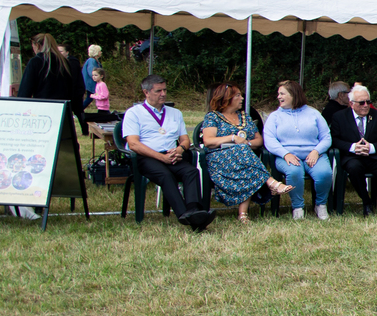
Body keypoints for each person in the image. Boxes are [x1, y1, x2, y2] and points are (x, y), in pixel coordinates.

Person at [122, 74, 215, 231]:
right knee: (165, 175)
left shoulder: (175, 113)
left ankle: (194, 209)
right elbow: (133, 144)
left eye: (165, 90)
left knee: (190, 171)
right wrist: (161, 157)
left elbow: (185, 139)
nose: (163, 94)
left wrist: (180, 149)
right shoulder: (134, 113)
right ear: (146, 92)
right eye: (158, 91)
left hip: (171, 155)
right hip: (147, 157)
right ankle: (184, 214)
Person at [201, 83, 293, 224]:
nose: (242, 98)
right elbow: (208, 141)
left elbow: (258, 140)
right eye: (238, 95)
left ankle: (243, 214)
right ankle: (271, 183)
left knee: (245, 158)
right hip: (220, 160)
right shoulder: (212, 117)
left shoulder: (244, 117)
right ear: (227, 98)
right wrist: (233, 138)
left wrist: (246, 143)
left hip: (244, 160)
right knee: (245, 156)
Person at [328, 84, 377, 221]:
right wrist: (352, 147)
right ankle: (367, 202)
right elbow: (334, 140)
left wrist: (372, 148)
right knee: (354, 168)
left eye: (368, 102)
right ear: (351, 103)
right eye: (361, 103)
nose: (366, 105)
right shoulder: (339, 117)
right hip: (353, 157)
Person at [264, 79, 332, 220]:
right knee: (294, 172)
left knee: (324, 173)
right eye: (278, 94)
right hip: (287, 156)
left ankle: (320, 205)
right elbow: (269, 139)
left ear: (293, 95)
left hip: (314, 155)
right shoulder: (275, 116)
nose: (279, 97)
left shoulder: (314, 114)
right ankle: (298, 207)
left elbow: (326, 137)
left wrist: (316, 151)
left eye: (282, 94)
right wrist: (285, 154)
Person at [18, 33, 85, 127]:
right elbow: (71, 88)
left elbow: (25, 90)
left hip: (42, 111)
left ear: (37, 45)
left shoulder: (36, 62)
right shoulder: (64, 62)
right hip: (62, 110)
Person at [81, 44, 103, 109]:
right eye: (100, 51)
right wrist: (97, 78)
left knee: (91, 97)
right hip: (90, 83)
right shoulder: (92, 61)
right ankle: (79, 110)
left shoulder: (95, 61)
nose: (101, 52)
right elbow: (91, 72)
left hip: (92, 82)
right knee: (90, 97)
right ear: (96, 52)